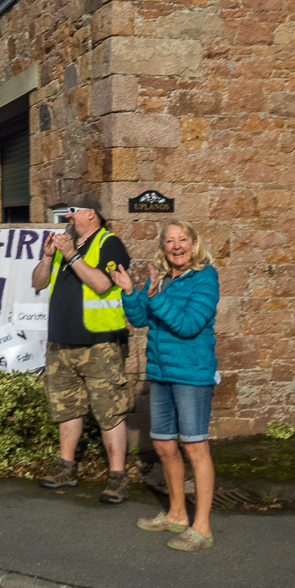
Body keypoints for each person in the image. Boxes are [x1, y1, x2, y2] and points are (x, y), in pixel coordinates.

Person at [110, 221, 219, 551]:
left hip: (190, 375)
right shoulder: (164, 278)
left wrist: (155, 296)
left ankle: (201, 527)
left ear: (194, 243)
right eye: (170, 241)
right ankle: (176, 515)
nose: (176, 246)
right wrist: (131, 290)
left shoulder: (205, 277)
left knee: (194, 447)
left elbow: (188, 325)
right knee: (163, 446)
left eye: (182, 239)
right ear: (163, 247)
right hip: (162, 374)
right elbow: (142, 318)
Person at [31, 193, 133, 504]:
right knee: (66, 408)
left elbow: (102, 285)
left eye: (73, 212)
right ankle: (66, 467)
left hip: (98, 343)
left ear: (92, 214)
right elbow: (37, 282)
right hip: (62, 341)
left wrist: (72, 254)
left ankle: (117, 477)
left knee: (109, 410)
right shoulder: (64, 247)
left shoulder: (109, 243)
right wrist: (49, 257)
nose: (68, 217)